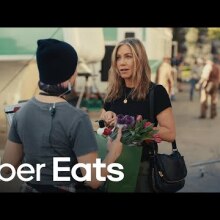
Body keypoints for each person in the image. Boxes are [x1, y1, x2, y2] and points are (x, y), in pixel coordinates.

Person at [2, 39, 122, 192]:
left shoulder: (21, 113)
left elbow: (7, 169)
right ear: (70, 75)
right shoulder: (78, 118)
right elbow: (93, 181)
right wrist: (113, 153)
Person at [99, 38, 176, 192]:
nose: (122, 63)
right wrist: (107, 117)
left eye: (128, 56)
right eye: (118, 58)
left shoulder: (156, 92)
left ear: (139, 59)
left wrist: (136, 127)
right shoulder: (113, 92)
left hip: (141, 169)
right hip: (112, 166)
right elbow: (101, 125)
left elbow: (170, 133)